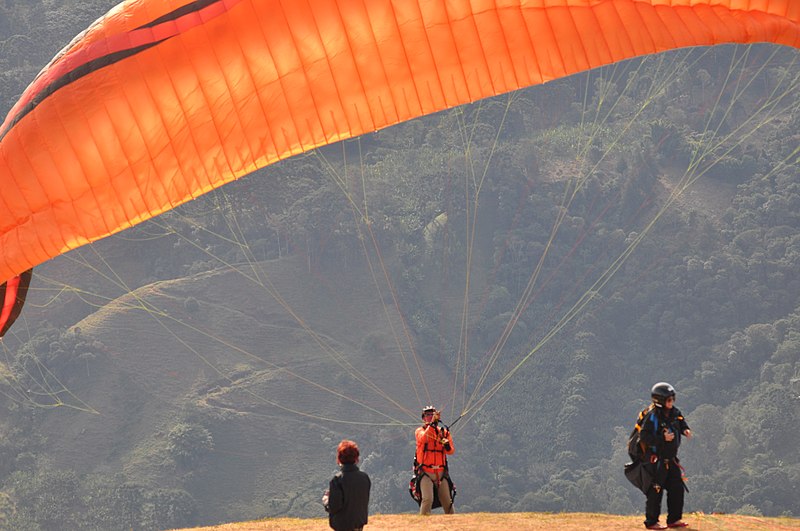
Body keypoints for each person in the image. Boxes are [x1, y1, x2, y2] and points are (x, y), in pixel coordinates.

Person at [639, 382, 692, 530]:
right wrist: (662, 439)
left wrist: (685, 430)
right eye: (669, 400)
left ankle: (674, 520)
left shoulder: (674, 412)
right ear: (660, 401)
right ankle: (651, 522)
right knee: (655, 491)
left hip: (671, 460)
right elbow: (644, 437)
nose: (672, 402)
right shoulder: (652, 417)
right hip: (657, 461)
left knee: (677, 488)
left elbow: (681, 421)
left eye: (673, 399)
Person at [322, 439, 371, 531]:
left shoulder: (337, 480)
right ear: (357, 458)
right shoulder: (364, 477)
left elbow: (334, 507)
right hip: (359, 524)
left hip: (342, 525)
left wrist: (326, 499)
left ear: (339, 458)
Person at [415, 405, 455, 515]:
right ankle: (424, 525)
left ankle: (454, 525)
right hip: (426, 472)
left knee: (448, 501)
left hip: (441, 473)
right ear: (423, 418)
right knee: (427, 499)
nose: (430, 417)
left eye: (432, 415)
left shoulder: (443, 432)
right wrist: (432, 425)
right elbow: (424, 438)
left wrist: (446, 445)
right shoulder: (419, 431)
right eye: (428, 415)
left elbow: (451, 451)